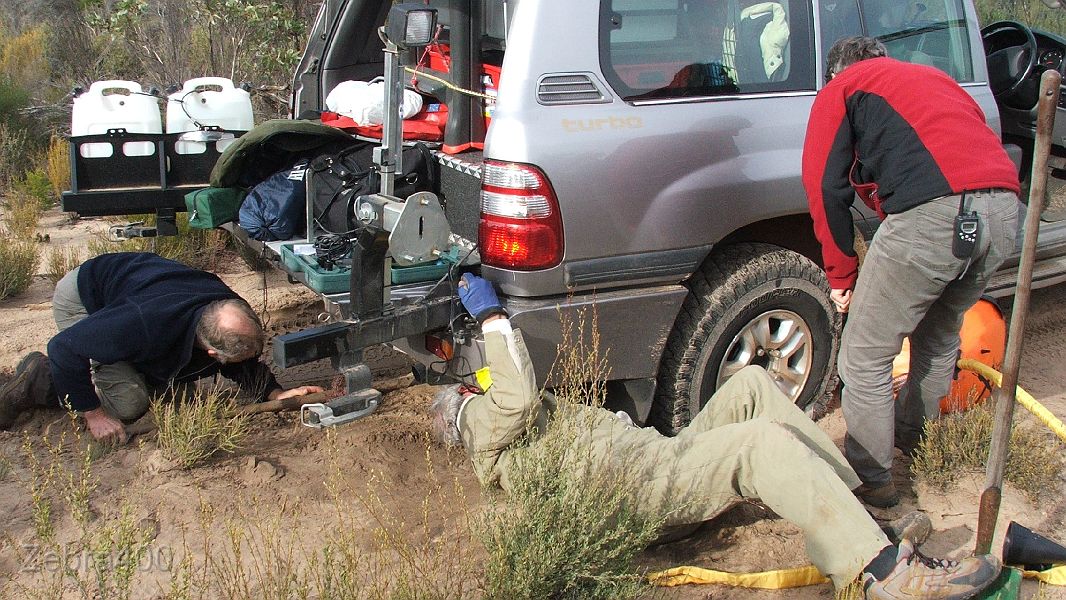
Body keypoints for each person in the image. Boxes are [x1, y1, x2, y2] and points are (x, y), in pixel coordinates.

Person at [431, 273, 1002, 600]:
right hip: (641, 486)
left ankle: (859, 518)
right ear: (460, 408)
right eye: (469, 385)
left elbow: (523, 395)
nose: (476, 379)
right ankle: (885, 576)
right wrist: (491, 319)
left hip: (654, 462)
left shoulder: (512, 424)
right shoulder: (482, 428)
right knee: (758, 444)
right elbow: (517, 395)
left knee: (752, 383)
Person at [801, 36, 1020, 508]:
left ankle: (873, 484)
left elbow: (823, 185)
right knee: (938, 337)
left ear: (836, 71)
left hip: (936, 214)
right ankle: (913, 442)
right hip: (1003, 211)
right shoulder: (938, 80)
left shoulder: (842, 89)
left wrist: (841, 275)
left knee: (864, 357)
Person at [0, 252, 322, 442]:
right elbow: (64, 348)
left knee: (172, 389)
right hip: (84, 298)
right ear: (210, 352)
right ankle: (37, 379)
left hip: (136, 293)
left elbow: (240, 360)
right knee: (129, 403)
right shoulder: (142, 324)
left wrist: (276, 394)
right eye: (220, 360)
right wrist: (94, 415)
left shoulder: (227, 309)